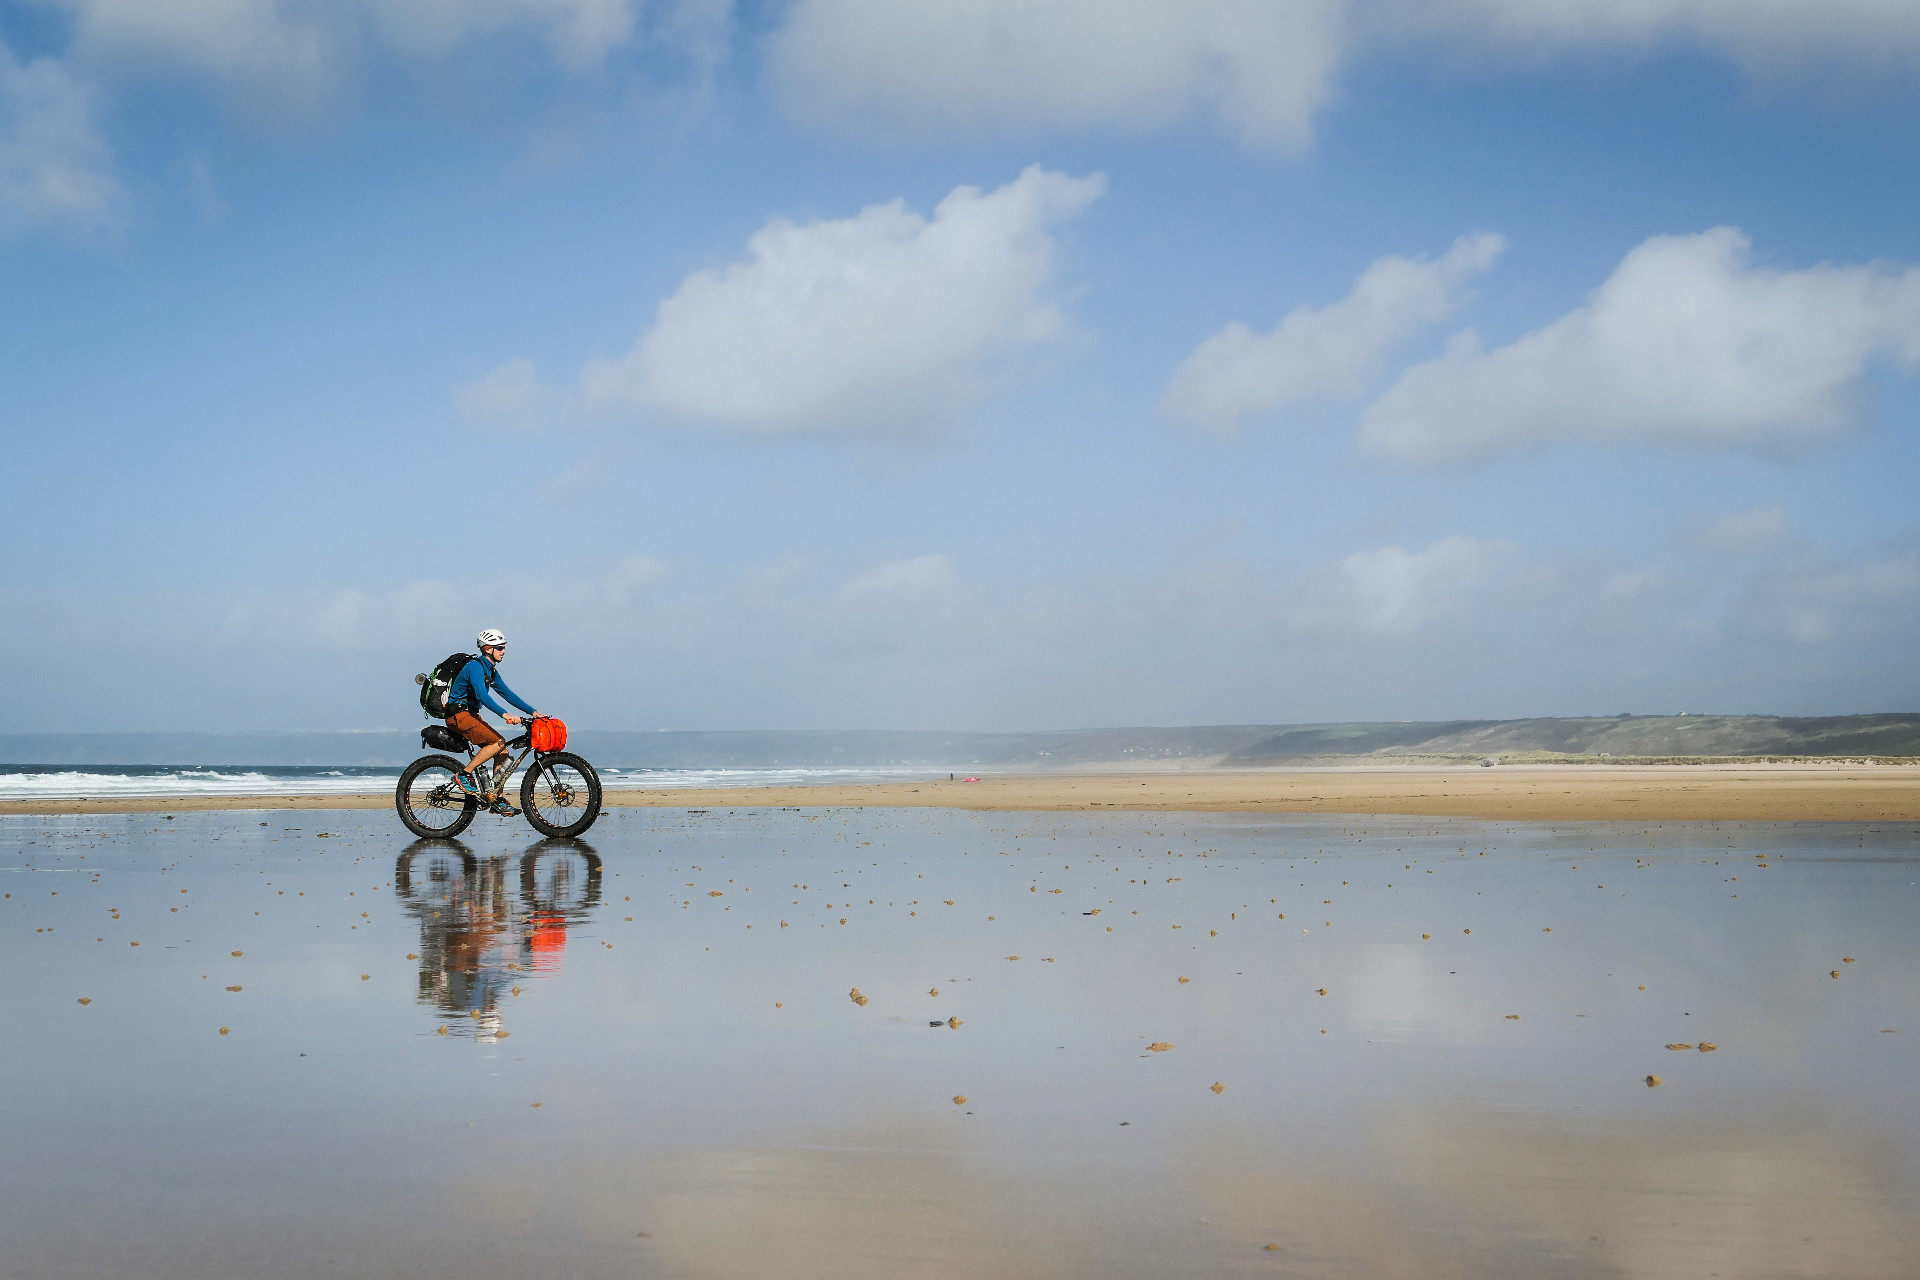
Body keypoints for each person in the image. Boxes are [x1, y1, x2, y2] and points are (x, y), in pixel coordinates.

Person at [446, 629, 540, 815]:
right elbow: (482, 695)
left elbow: (507, 694)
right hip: (458, 715)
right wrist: (504, 715)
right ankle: (463, 775)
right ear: (488, 648)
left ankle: (495, 798)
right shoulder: (475, 666)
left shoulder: (491, 671)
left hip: (470, 715)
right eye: (500, 648)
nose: (504, 651)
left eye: (504, 648)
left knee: (502, 751)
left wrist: (533, 712)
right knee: (497, 742)